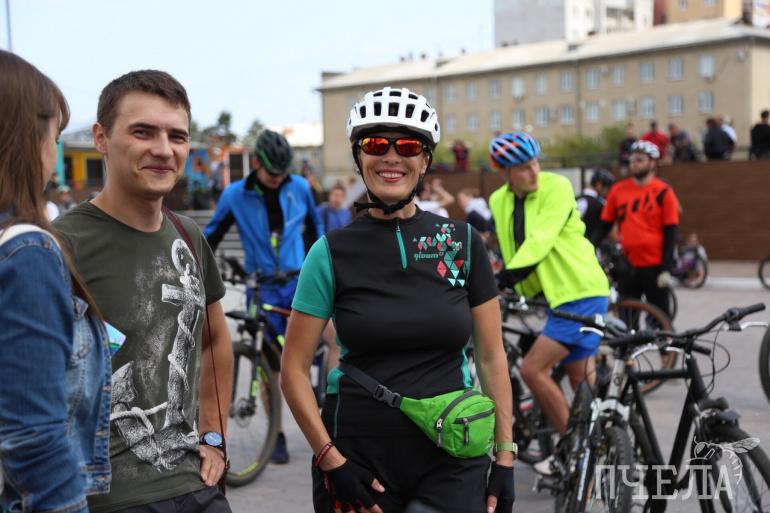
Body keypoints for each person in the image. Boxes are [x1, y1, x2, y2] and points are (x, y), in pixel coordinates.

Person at [281, 86, 516, 513]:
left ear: (425, 160)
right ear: (359, 157)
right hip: (358, 451)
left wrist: (504, 455)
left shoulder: (462, 242)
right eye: (376, 144)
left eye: (407, 146)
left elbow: (491, 356)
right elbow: (293, 369)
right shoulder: (330, 252)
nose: (391, 157)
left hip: (453, 446)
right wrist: (330, 459)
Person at [53, 70, 233, 513]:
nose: (164, 149)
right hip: (108, 499)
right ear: (101, 138)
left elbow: (214, 340)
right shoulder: (59, 246)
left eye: (177, 136)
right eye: (143, 132)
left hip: (197, 485)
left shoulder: (188, 236)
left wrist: (213, 437)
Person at [0, 49, 111, 513]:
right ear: (26, 138)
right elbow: (33, 436)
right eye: (55, 136)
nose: (55, 152)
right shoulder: (26, 251)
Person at [487, 131, 609, 476]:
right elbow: (510, 246)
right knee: (578, 377)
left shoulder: (556, 187)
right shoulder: (498, 200)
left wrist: (501, 281)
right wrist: (512, 288)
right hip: (555, 298)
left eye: (535, 163)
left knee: (532, 370)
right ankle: (598, 444)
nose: (534, 172)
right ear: (504, 171)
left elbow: (540, 240)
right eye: (524, 167)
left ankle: (575, 452)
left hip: (580, 292)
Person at [205, 128, 323, 464]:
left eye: (283, 172)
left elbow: (316, 230)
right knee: (271, 366)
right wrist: (198, 272)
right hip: (262, 285)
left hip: (299, 282)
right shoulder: (235, 195)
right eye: (273, 172)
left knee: (330, 340)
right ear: (257, 162)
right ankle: (278, 435)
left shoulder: (300, 187)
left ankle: (326, 398)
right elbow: (210, 237)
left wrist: (323, 271)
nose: (278, 178)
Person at [594, 140, 679, 319]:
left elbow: (671, 232)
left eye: (640, 159)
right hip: (627, 264)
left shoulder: (664, 191)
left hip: (655, 265)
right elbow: (604, 225)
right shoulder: (618, 190)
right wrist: (588, 246)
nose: (634, 163)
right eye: (632, 160)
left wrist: (667, 268)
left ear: (652, 163)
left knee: (661, 317)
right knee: (627, 317)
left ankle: (663, 338)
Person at [576, 168, 615, 245]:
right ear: (599, 185)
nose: (608, 192)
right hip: (592, 247)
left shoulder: (576, 199)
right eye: (607, 188)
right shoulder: (602, 204)